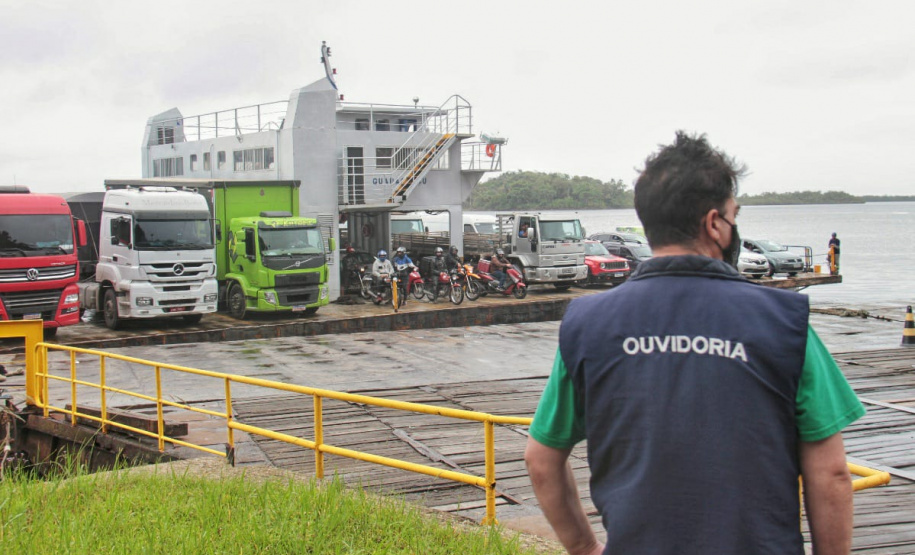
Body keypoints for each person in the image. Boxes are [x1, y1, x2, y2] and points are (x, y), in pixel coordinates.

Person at [525, 131, 864, 555]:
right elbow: (831, 473)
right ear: (714, 223)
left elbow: (541, 461)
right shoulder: (784, 322)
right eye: (733, 216)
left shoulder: (588, 324)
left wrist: (585, 547)